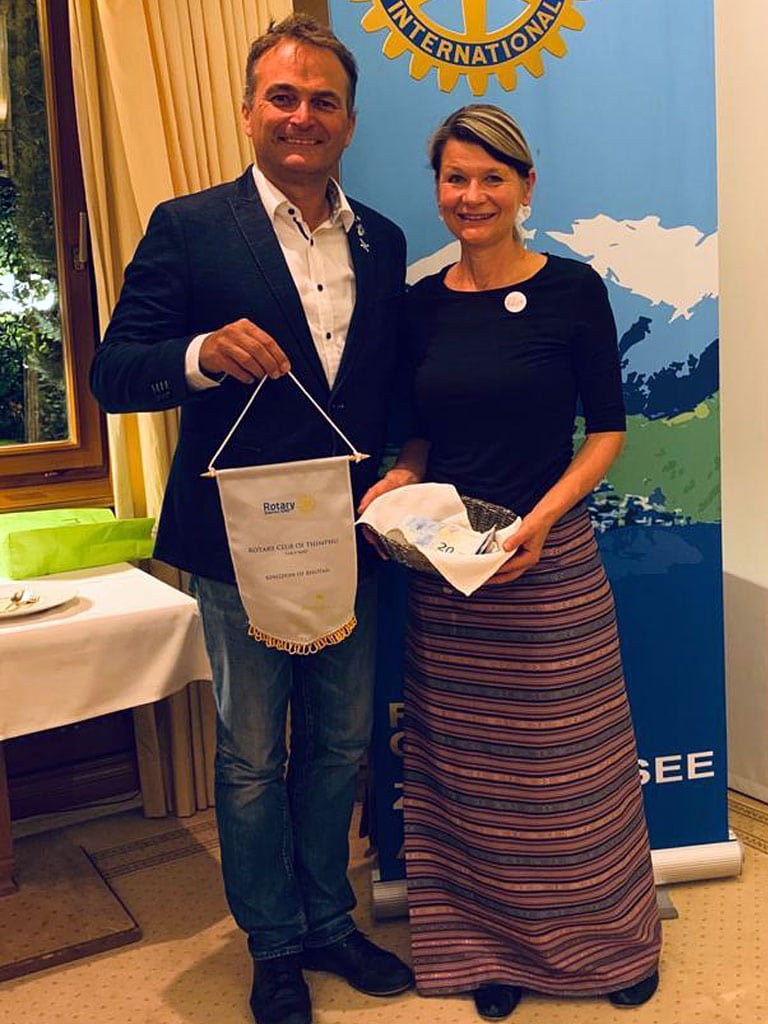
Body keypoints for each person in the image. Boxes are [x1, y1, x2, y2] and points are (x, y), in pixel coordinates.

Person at [90, 15, 413, 1024]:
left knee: (341, 742)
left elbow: (388, 386)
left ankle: (327, 920)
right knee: (249, 755)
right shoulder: (189, 226)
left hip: (350, 541)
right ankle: (272, 943)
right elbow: (113, 373)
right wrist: (199, 355)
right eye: (283, 96)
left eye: (324, 100)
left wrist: (405, 475)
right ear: (246, 111)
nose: (302, 115)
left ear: (349, 122)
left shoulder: (384, 238)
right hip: (240, 548)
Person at [359, 104, 661, 1019]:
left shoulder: (573, 290)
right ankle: (490, 951)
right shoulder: (419, 306)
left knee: (577, 773)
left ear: (526, 187)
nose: (473, 195)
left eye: (493, 177)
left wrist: (540, 521)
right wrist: (400, 479)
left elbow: (606, 430)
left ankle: (611, 948)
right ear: (438, 189)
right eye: (456, 177)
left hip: (550, 562)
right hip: (452, 571)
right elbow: (418, 433)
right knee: (472, 778)